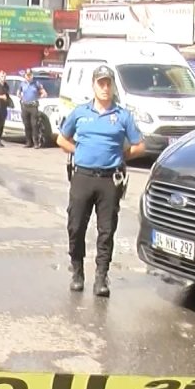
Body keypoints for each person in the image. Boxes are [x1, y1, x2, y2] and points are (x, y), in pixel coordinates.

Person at [57, 65, 144, 297]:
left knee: (106, 231)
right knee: (76, 227)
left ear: (113, 85)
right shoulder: (80, 112)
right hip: (83, 176)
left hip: (109, 180)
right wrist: (80, 150)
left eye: (108, 83)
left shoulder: (122, 115)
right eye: (101, 83)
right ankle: (77, 271)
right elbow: (61, 139)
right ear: (94, 86)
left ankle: (101, 276)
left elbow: (139, 145)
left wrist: (120, 156)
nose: (105, 88)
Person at [18, 69, 47, 147]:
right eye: (27, 75)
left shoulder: (36, 83)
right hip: (25, 106)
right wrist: (21, 98)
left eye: (30, 75)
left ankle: (36, 143)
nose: (28, 76)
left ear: (32, 75)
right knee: (26, 125)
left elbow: (44, 93)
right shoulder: (22, 84)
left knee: (34, 125)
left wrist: (40, 97)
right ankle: (28, 142)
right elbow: (18, 93)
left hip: (33, 107)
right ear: (25, 76)